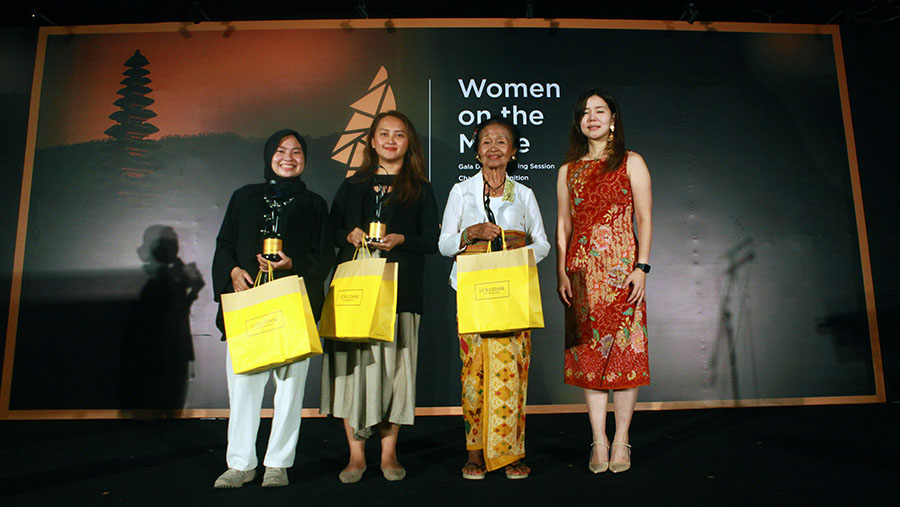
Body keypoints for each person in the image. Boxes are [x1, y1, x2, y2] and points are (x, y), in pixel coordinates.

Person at [321, 111, 439, 484]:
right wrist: (349, 236)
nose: (390, 140)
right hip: (355, 294)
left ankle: (389, 454)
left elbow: (433, 242)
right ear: (371, 141)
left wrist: (402, 239)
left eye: (399, 134)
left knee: (394, 375)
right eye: (383, 133)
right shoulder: (352, 185)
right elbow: (331, 233)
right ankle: (356, 456)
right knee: (352, 373)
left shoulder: (421, 188)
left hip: (400, 295)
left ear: (409, 143)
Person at [211, 129, 334, 488]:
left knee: (290, 390)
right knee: (244, 387)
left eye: (297, 152)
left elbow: (323, 256)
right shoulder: (244, 198)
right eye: (281, 151)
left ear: (305, 160)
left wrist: (292, 264)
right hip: (248, 304)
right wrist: (233, 272)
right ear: (269, 156)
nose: (289, 158)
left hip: (294, 304)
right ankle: (240, 464)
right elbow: (224, 245)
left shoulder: (315, 204)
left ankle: (278, 463)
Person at [438, 117, 550, 480]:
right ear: (477, 150)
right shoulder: (461, 192)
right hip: (473, 295)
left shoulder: (525, 195)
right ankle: (475, 453)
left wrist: (521, 247)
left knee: (513, 374)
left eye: (502, 141)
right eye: (487, 141)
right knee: (474, 373)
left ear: (514, 151)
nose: (494, 148)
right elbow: (443, 245)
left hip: (512, 294)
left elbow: (544, 244)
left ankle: (511, 454)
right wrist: (468, 233)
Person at [556, 89, 652, 474]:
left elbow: (644, 218)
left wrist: (642, 268)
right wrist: (561, 270)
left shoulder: (632, 162)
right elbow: (564, 224)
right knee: (589, 360)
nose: (591, 117)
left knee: (625, 358)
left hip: (624, 274)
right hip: (581, 274)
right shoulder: (568, 170)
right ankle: (598, 440)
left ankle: (622, 440)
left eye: (600, 111)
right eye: (585, 112)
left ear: (613, 119)